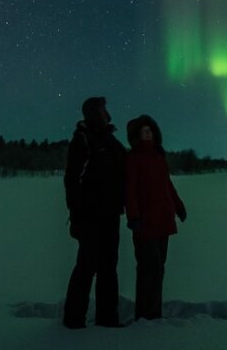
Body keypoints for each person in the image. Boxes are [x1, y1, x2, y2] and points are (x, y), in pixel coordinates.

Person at [63, 96, 127, 329]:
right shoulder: (83, 140)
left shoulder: (110, 140)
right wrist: (77, 215)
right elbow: (72, 180)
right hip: (90, 216)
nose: (106, 112)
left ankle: (107, 318)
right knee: (86, 266)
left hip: (110, 214)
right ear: (93, 112)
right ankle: (73, 319)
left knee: (109, 266)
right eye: (102, 109)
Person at [124, 114, 187, 321]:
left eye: (149, 130)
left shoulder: (159, 157)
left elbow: (167, 185)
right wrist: (133, 216)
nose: (147, 134)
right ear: (136, 136)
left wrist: (178, 206)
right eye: (143, 132)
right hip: (145, 223)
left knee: (159, 267)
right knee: (148, 268)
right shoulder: (133, 158)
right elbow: (130, 189)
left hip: (163, 221)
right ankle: (145, 313)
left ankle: (154, 311)